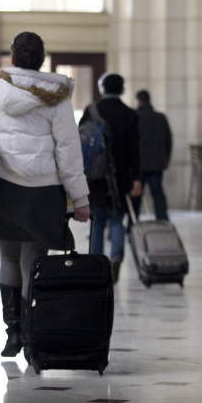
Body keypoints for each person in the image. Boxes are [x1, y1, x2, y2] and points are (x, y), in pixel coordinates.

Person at [0, 32, 90, 359]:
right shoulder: (57, 95)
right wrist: (80, 198)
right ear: (42, 59)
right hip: (43, 191)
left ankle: (12, 335)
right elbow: (68, 149)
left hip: (2, 187)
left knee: (7, 259)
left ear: (12, 57)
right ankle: (30, 335)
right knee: (34, 262)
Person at [79, 72, 142, 283]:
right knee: (117, 219)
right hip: (121, 175)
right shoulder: (130, 114)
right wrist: (137, 179)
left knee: (97, 220)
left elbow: (80, 140)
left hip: (95, 176)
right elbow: (135, 150)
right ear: (122, 89)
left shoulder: (92, 111)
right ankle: (116, 256)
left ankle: (96, 263)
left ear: (102, 88)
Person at [132, 89, 172, 221]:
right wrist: (166, 160)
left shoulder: (134, 117)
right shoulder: (160, 118)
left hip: (138, 165)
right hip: (157, 164)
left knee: (136, 195)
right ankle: (162, 220)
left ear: (138, 101)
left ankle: (133, 223)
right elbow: (168, 141)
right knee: (158, 194)